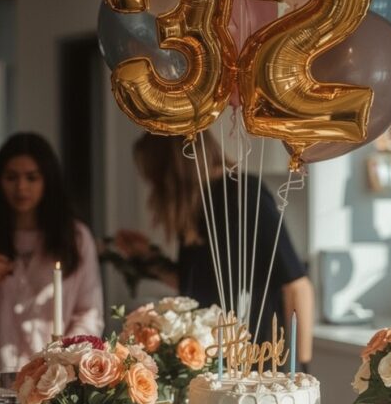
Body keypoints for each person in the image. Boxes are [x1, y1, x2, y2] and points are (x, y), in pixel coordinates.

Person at [0, 132, 104, 404]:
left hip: (52, 387)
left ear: (47, 180)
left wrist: (61, 363)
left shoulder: (76, 239)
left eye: (32, 177)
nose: (21, 188)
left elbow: (89, 315)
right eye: (11, 177)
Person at [115, 132, 315, 366]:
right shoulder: (197, 205)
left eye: (156, 179)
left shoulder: (244, 195)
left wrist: (301, 370)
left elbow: (298, 287)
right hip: (211, 358)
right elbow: (195, 286)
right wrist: (147, 257)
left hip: (254, 361)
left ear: (172, 173)